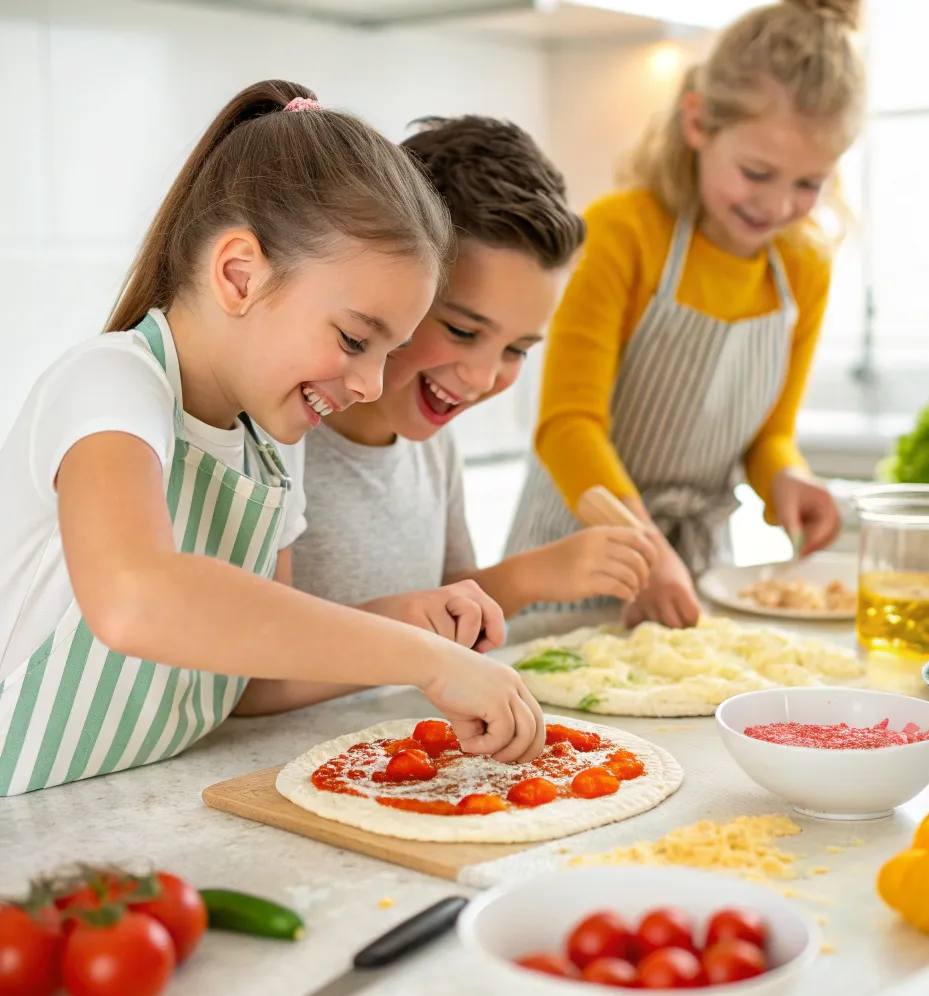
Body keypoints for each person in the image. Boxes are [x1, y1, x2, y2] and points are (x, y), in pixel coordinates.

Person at [0, 81, 543, 798]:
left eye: (390, 351)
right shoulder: (112, 385)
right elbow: (137, 598)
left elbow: (250, 682)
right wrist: (421, 658)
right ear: (239, 274)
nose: (372, 383)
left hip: (103, 809)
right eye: (355, 338)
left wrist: (409, 622)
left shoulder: (272, 443)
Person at [505, 0, 865, 629]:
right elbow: (567, 427)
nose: (779, 204)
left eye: (809, 183)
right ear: (698, 123)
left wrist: (789, 479)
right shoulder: (625, 233)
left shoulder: (804, 268)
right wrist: (645, 548)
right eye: (757, 172)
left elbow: (770, 435)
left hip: (695, 570)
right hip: (574, 556)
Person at [277, 116, 657, 654]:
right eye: (461, 330)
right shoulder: (281, 436)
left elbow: (453, 612)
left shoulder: (434, 446)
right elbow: (259, 668)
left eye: (516, 350)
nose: (481, 379)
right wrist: (523, 579)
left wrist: (528, 581)